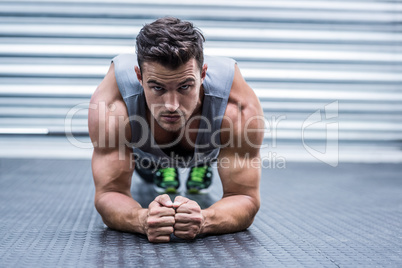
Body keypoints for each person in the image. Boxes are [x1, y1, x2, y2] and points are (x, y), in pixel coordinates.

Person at [88, 17, 264, 243]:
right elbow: (109, 192)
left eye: (185, 87)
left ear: (203, 74)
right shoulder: (113, 107)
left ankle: (199, 164)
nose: (171, 105)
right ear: (139, 77)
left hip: (206, 145)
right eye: (157, 87)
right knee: (150, 170)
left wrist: (204, 218)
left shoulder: (237, 108)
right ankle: (161, 166)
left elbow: (245, 196)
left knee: (214, 136)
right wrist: (141, 219)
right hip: (146, 152)